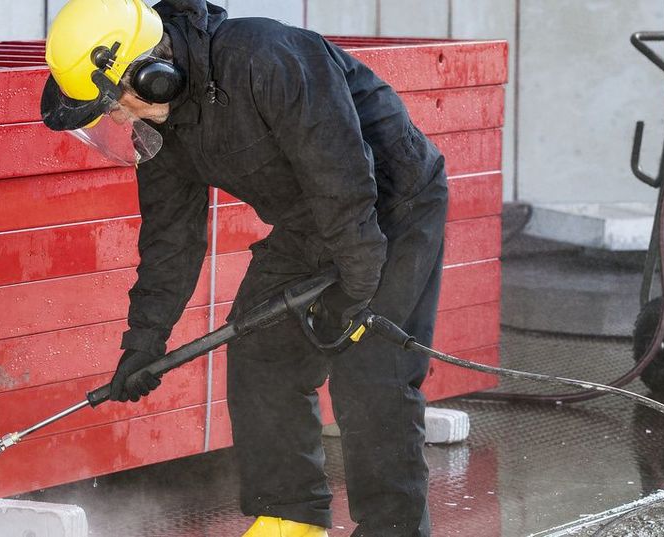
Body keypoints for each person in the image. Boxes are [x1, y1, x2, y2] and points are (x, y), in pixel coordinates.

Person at [41, 1, 449, 536]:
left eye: (114, 104)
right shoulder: (162, 125)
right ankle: (290, 519)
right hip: (310, 220)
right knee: (262, 352)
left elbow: (343, 175)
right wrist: (144, 342)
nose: (117, 119)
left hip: (392, 205)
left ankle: (393, 529)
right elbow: (170, 238)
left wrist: (357, 289)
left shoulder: (265, 58)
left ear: (152, 73)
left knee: (372, 369)